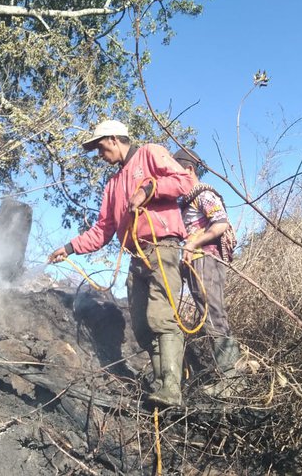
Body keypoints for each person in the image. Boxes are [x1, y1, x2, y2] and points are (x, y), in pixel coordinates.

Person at [49, 120, 193, 407]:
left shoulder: (150, 153)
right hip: (137, 257)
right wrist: (69, 248)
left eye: (101, 148)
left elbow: (186, 181)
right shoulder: (113, 184)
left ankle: (172, 388)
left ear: (114, 140)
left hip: (162, 247)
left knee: (161, 317)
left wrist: (149, 188)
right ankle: (161, 383)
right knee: (141, 325)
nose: (100, 156)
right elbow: (103, 230)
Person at [173, 147, 242, 397]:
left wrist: (192, 244)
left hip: (206, 260)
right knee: (208, 313)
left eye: (175, 170)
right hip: (197, 262)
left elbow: (221, 222)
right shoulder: (187, 200)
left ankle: (231, 380)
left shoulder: (203, 194)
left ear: (189, 169)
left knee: (212, 315)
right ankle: (229, 374)